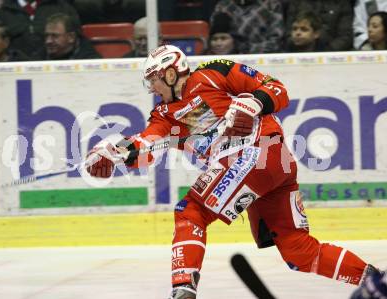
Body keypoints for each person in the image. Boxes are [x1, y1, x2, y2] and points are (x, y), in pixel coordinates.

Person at [85, 44, 382, 298]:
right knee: (298, 251)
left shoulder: (214, 72)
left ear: (171, 73)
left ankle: (183, 291)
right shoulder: (164, 115)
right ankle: (375, 282)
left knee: (190, 212)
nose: (152, 89)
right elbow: (145, 145)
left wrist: (253, 102)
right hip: (267, 169)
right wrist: (111, 154)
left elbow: (277, 89)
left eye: (154, 81)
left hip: (258, 153)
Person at [0, 0, 80, 58]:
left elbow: (80, 41)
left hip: (56, 66)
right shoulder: (1, 11)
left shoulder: (62, 7)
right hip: (13, 70)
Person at [210, 0, 284, 54]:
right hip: (231, 59)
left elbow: (276, 42)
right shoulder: (223, 6)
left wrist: (247, 49)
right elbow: (217, 40)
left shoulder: (271, 5)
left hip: (263, 59)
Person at [285, 0, 353, 51]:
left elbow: (346, 36)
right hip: (297, 51)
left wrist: (326, 52)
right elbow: (288, 33)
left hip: (330, 53)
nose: (298, 32)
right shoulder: (296, 2)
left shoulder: (342, 3)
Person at [33, 13, 101, 60]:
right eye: (47, 35)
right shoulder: (40, 57)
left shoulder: (91, 61)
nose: (48, 41)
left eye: (55, 36)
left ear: (71, 37)